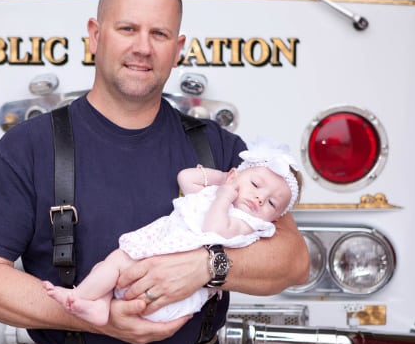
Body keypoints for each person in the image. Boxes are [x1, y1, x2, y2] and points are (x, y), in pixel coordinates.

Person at [0, 0, 309, 344]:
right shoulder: (28, 148)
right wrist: (95, 319)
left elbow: (294, 260)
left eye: (159, 34)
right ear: (94, 35)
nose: (143, 48)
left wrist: (206, 265)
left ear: (177, 49)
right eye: (127, 29)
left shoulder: (220, 148)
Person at [44, 139, 303, 326]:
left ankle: (78, 296)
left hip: (171, 294)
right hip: (156, 269)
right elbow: (186, 178)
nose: (259, 198)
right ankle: (98, 306)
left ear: (276, 217)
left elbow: (214, 231)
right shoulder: (216, 192)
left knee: (117, 263)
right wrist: (225, 178)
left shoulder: (246, 223)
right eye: (256, 184)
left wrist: (225, 195)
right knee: (109, 265)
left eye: (271, 203)